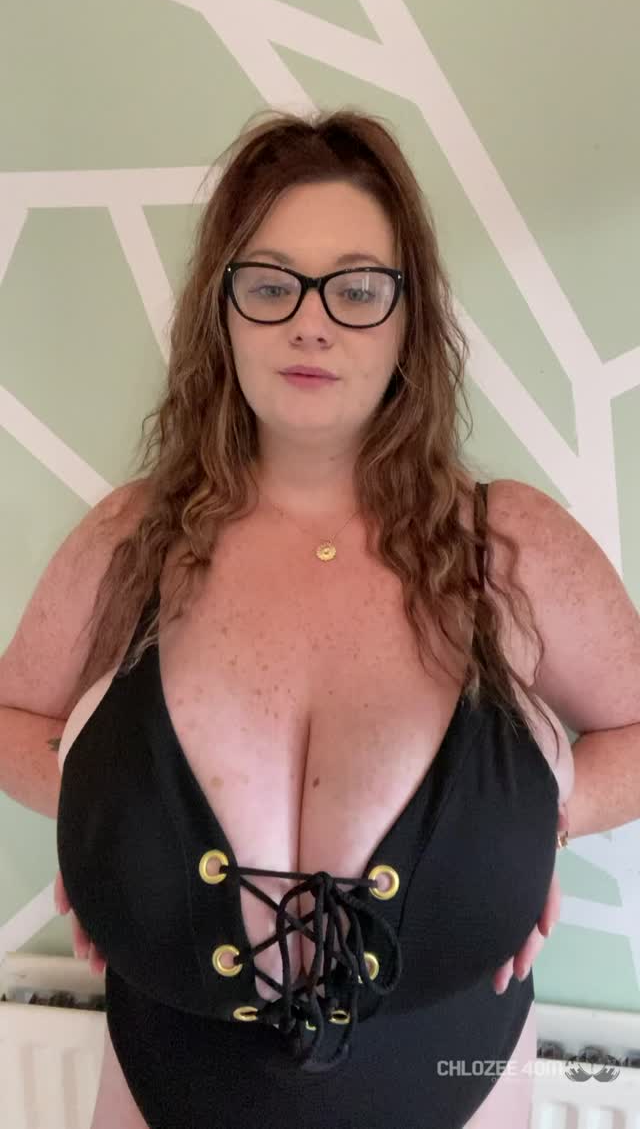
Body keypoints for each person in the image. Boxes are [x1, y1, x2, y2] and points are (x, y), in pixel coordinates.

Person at [1, 106, 637, 1129]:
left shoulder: (509, 545)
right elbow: (11, 717)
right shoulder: (132, 538)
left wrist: (532, 816)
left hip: (457, 1081)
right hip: (164, 1083)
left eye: (357, 287)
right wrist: (101, 817)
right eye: (269, 284)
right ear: (222, 312)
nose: (311, 322)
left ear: (408, 316)